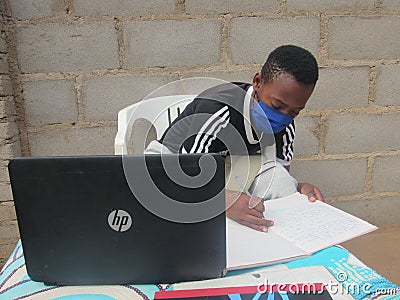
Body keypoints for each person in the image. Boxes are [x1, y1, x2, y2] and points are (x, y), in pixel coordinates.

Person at [145, 45, 324, 232]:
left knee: (282, 182)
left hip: (223, 166)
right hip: (172, 166)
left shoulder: (285, 126)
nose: (283, 116)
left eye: (294, 111)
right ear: (258, 82)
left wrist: (298, 189)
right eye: (277, 105)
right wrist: (223, 202)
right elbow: (188, 176)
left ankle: (289, 246)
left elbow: (277, 174)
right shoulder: (217, 110)